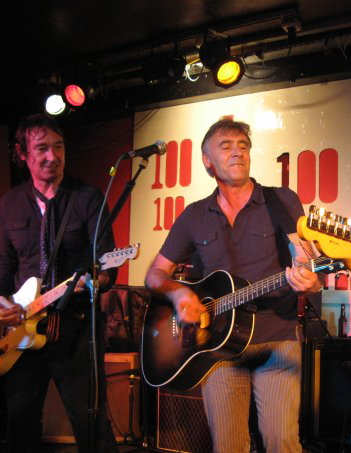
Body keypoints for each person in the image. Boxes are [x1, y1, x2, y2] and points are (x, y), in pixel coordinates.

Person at [145, 118, 322, 453]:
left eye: (243, 146)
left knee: (281, 441)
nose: (237, 152)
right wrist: (181, 293)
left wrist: (309, 277)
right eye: (226, 146)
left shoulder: (282, 200)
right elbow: (155, 274)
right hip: (217, 348)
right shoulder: (194, 215)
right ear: (207, 161)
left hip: (276, 339)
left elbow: (304, 258)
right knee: (227, 445)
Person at [0, 114, 118, 453]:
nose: (52, 156)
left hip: (77, 329)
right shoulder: (9, 205)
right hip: (22, 332)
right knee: (20, 425)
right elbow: (3, 270)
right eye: (41, 148)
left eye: (58, 146)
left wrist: (97, 281)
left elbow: (108, 263)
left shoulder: (87, 198)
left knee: (91, 425)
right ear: (23, 154)